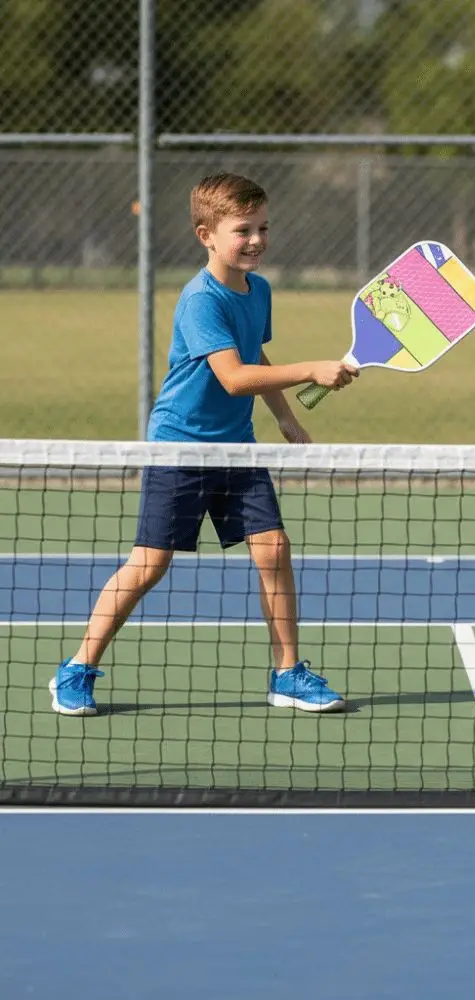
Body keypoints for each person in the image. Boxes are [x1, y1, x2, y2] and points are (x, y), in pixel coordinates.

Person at [49, 172, 359, 716]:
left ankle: (287, 672)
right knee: (149, 564)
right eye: (243, 230)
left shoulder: (258, 290)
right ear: (206, 235)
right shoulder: (200, 300)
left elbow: (255, 356)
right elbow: (234, 378)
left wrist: (284, 418)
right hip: (180, 447)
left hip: (237, 447)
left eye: (264, 227)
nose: (257, 239)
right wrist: (312, 367)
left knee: (274, 549)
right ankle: (77, 667)